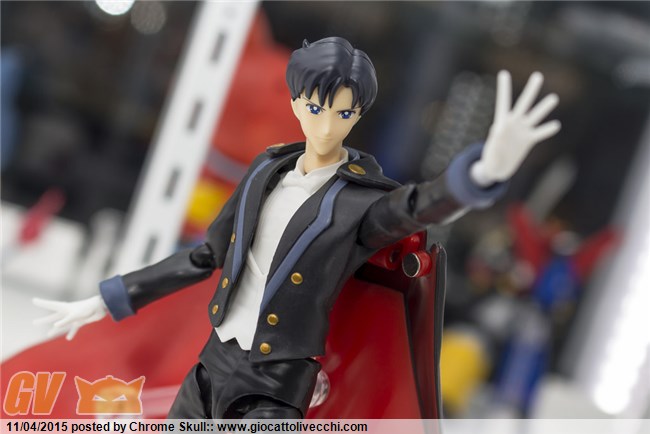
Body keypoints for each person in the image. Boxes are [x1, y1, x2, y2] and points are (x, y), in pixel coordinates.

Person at [34, 37, 560, 419]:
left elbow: (417, 206)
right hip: (212, 362)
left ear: (357, 116)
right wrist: (106, 300)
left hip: (275, 382)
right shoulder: (264, 172)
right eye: (315, 107)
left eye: (343, 114)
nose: (327, 126)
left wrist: (482, 173)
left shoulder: (359, 203)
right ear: (294, 102)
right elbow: (203, 256)